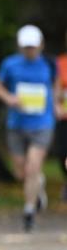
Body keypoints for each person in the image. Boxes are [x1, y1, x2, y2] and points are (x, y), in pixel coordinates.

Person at [0, 25, 55, 231]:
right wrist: (9, 98)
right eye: (27, 47)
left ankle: (29, 210)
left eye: (34, 47)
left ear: (41, 45)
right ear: (21, 46)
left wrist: (54, 106)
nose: (30, 50)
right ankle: (39, 184)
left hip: (42, 123)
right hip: (17, 124)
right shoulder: (10, 64)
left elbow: (55, 86)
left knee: (32, 167)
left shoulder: (49, 64)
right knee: (21, 172)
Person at [55, 31, 67, 202]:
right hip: (65, 116)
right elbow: (57, 87)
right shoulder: (62, 62)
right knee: (63, 155)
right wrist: (57, 106)